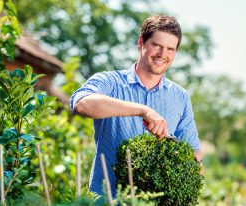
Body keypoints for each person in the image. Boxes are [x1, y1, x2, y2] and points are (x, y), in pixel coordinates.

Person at [70, 14, 203, 196]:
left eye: (170, 49)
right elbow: (82, 105)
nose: (162, 55)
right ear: (141, 42)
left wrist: (177, 154)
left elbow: (194, 153)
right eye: (157, 45)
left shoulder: (180, 97)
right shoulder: (110, 82)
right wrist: (142, 110)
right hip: (108, 199)